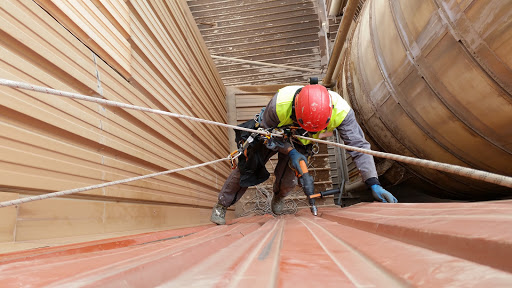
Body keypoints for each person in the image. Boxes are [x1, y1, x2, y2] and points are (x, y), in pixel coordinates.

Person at [210, 83, 397, 225]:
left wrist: (373, 182)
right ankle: (222, 205)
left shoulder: (342, 112)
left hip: (304, 141)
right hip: (275, 133)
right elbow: (266, 138)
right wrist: (288, 150)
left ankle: (279, 196)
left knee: (289, 180)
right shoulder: (280, 104)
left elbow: (358, 146)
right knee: (247, 165)